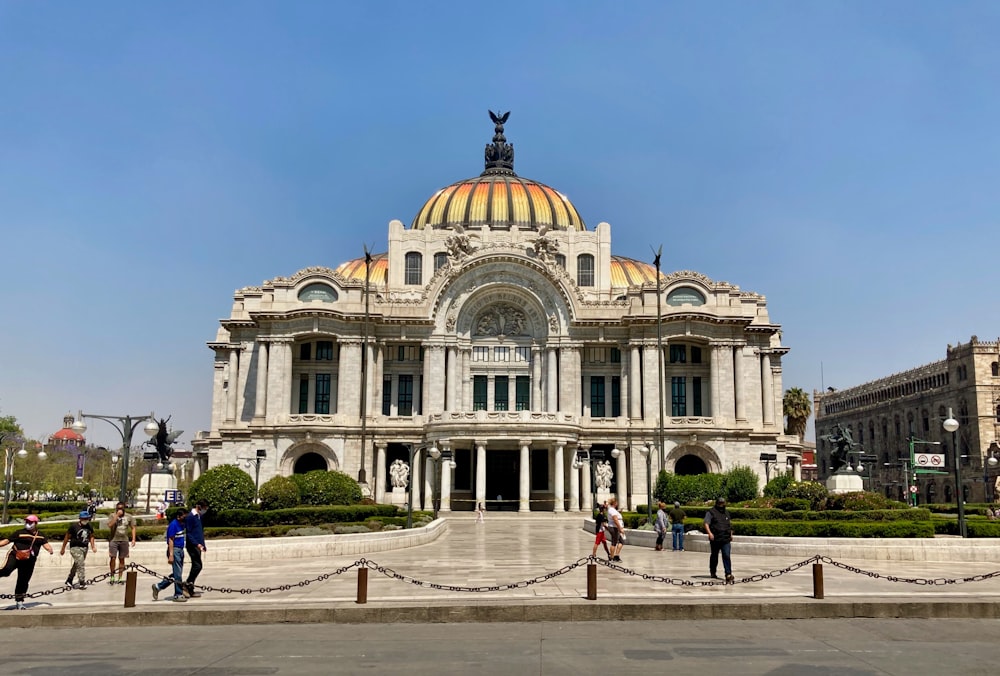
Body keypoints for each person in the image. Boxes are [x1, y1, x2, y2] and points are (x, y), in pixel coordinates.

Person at [0, 514, 54, 609]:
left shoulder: (40, 535)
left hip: (29, 561)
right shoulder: (19, 533)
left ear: (35, 523)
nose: (28, 524)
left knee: (23, 580)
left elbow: (46, 544)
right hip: (15, 556)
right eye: (27, 522)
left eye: (30, 522)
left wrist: (49, 549)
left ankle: (19, 601)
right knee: (6, 570)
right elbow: (6, 541)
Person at [152, 508, 187, 602]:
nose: (185, 518)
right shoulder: (173, 525)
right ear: (178, 516)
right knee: (178, 574)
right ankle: (178, 594)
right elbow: (170, 541)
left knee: (176, 573)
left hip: (180, 550)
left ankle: (158, 586)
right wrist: (171, 555)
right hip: (174, 550)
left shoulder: (181, 524)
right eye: (183, 517)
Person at [60, 511, 97, 588]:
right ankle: (82, 581)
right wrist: (63, 548)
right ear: (80, 519)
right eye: (84, 519)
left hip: (84, 547)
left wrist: (93, 546)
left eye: (87, 518)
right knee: (80, 563)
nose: (86, 520)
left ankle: (69, 579)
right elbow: (67, 537)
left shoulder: (89, 526)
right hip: (75, 547)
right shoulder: (74, 527)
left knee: (77, 564)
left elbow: (91, 536)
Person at [703, 497, 734, 583]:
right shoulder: (711, 512)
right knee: (714, 555)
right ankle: (713, 571)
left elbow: (729, 525)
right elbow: (706, 523)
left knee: (726, 556)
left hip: (725, 538)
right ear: (717, 503)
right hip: (715, 538)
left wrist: (731, 534)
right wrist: (710, 533)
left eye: (723, 503)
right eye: (720, 503)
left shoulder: (726, 513)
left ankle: (728, 574)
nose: (722, 505)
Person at [107, 501, 136, 585]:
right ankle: (112, 575)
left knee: (122, 559)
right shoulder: (112, 516)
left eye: (121, 508)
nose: (120, 510)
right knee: (112, 558)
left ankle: (120, 577)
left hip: (124, 540)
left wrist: (133, 539)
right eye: (118, 508)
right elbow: (110, 525)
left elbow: (133, 527)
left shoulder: (129, 517)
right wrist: (116, 516)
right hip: (113, 540)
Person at [184, 500, 209, 598]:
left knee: (196, 565)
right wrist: (197, 544)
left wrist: (203, 544)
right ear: (199, 507)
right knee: (197, 566)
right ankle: (186, 585)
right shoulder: (191, 517)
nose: (205, 510)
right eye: (204, 508)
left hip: (198, 545)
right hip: (192, 545)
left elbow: (199, 532)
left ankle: (190, 588)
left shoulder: (199, 516)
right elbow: (189, 533)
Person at [606, 497, 626, 562]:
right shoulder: (612, 510)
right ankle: (612, 557)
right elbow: (615, 519)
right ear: (614, 503)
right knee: (614, 542)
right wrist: (620, 528)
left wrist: (619, 512)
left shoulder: (613, 510)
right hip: (614, 527)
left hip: (615, 527)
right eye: (616, 502)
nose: (617, 503)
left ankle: (616, 556)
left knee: (621, 541)